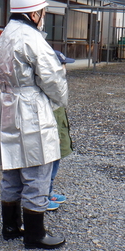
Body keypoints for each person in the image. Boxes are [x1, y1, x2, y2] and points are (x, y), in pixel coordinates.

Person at [0, 0, 68, 250]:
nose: (43, 15)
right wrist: (61, 99)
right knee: (38, 169)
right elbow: (51, 78)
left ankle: (10, 226)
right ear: (34, 13)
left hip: (8, 105)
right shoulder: (33, 38)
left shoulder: (4, 35)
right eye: (43, 11)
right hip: (31, 107)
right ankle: (35, 234)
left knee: (12, 169)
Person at [46, 50, 75, 211]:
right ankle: (43, 195)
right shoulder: (49, 83)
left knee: (57, 156)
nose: (65, 68)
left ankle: (48, 192)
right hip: (52, 121)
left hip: (59, 118)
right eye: (63, 64)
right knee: (49, 159)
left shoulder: (59, 81)